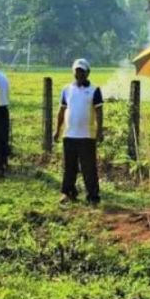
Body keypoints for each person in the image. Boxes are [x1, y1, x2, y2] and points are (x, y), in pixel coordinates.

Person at [54, 58, 104, 206]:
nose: (79, 74)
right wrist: (57, 130)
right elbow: (61, 111)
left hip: (87, 136)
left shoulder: (94, 90)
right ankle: (68, 193)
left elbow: (99, 112)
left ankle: (93, 196)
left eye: (82, 72)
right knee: (69, 167)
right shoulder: (66, 90)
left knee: (89, 168)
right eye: (77, 71)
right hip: (69, 135)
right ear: (73, 73)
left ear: (87, 73)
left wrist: (99, 131)